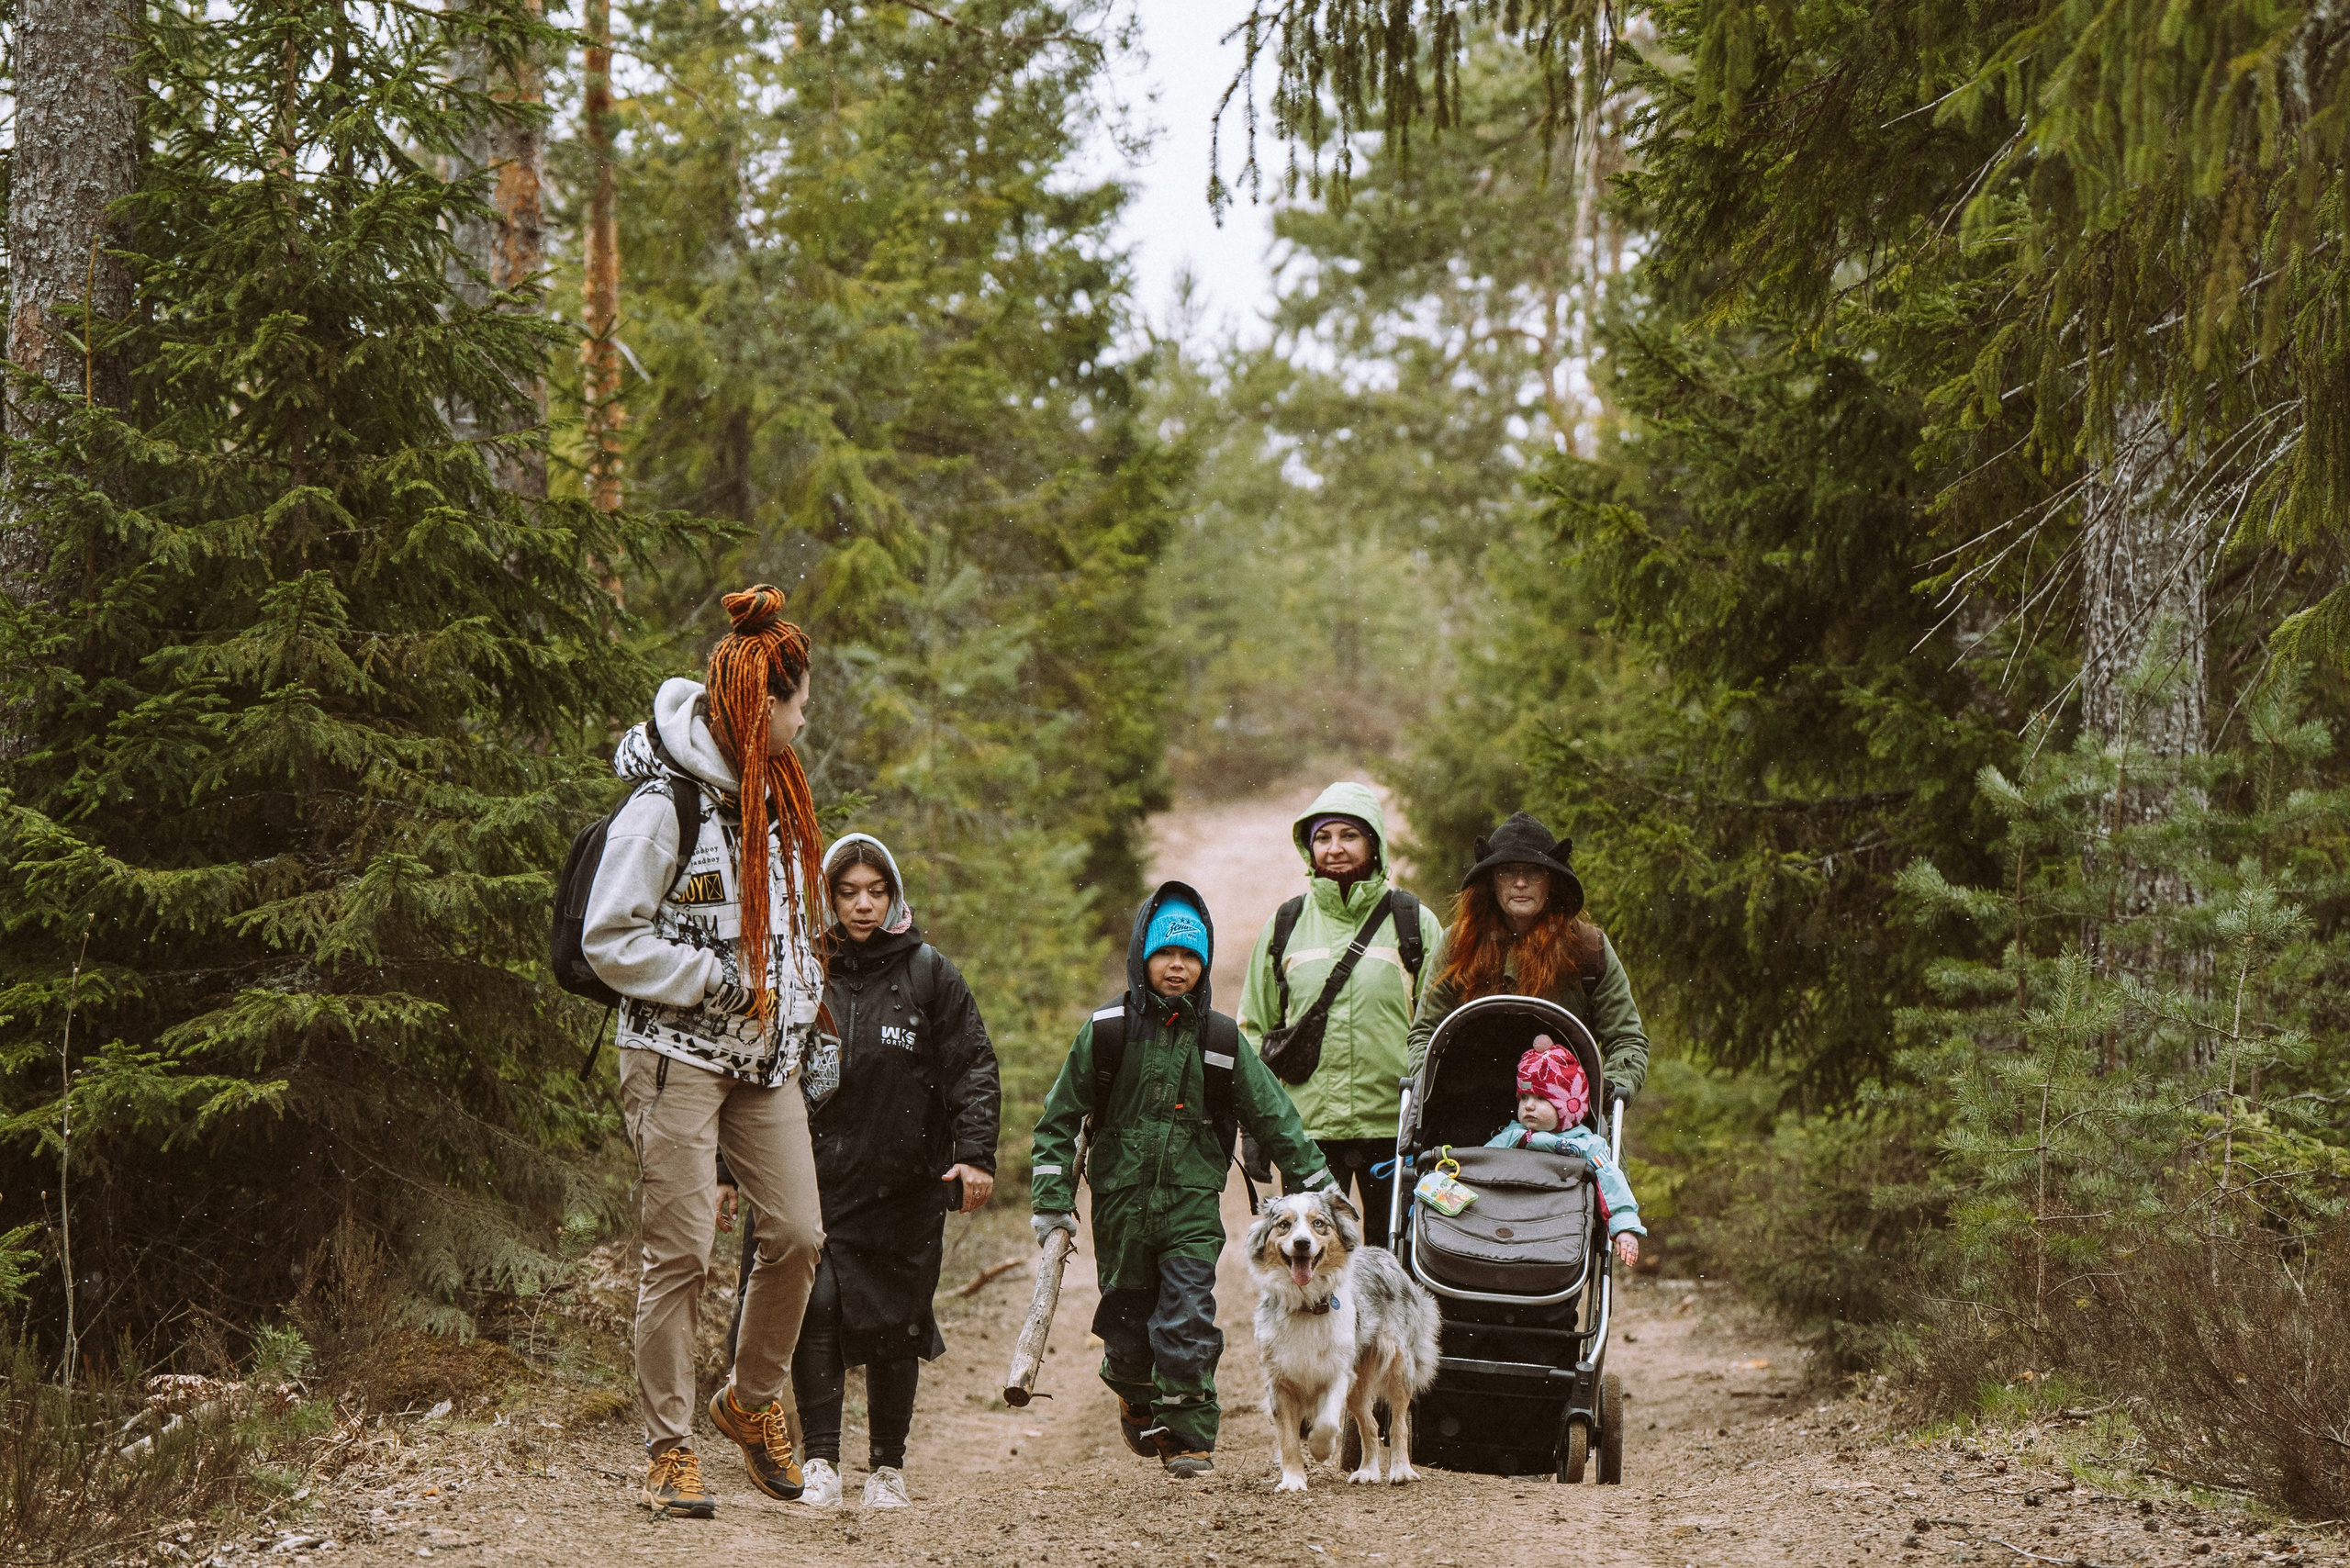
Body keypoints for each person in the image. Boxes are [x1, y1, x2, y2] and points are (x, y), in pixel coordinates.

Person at [581, 584, 829, 1518]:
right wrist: (709, 979)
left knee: (798, 1236)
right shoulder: (665, 806)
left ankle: (748, 1403)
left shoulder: (775, 796)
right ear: (761, 706)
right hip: (674, 1056)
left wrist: (805, 1016)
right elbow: (609, 938)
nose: (804, 721)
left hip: (764, 1060)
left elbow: (790, 933)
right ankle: (668, 1451)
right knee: (681, 1254)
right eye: (798, 705)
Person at [715, 834, 999, 1511]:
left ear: (893, 895)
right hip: (807, 1175)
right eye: (848, 893)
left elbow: (972, 1065)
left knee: (896, 1321)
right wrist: (726, 1169)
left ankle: (888, 1470)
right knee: (813, 1307)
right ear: (828, 898)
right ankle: (821, 1463)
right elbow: (749, 1071)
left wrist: (974, 1154)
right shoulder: (800, 969)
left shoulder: (930, 973)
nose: (863, 905)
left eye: (875, 891)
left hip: (904, 1182)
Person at [1029, 884, 1333, 1478]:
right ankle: (1134, 1393)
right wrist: (1051, 1201)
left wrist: (1317, 1184)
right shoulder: (1108, 1032)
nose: (1177, 966)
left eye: (1191, 956)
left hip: (1191, 1206)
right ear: (1141, 957)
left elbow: (1274, 1116)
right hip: (1120, 1207)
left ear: (1205, 963)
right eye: (1165, 954)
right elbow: (1058, 1119)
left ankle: (1190, 1438)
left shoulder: (1219, 1040)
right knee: (1127, 1326)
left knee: (1188, 1316)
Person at [1237, 782, 1445, 1250]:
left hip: (1396, 1131)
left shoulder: (1415, 923)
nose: (1334, 848)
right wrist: (1254, 1125)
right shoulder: (1286, 924)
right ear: (1308, 848)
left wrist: (1435, 1118)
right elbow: (1252, 1031)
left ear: (1374, 843)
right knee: (1309, 1264)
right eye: (1323, 837)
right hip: (1307, 1134)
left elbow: (1441, 1029)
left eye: (1349, 835)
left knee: (1395, 1260)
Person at [1406, 811, 1651, 1103]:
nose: (1520, 882)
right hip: (1469, 1111)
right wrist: (1432, 1089)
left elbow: (1626, 1038)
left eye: (1534, 871)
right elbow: (1426, 1034)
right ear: (1491, 881)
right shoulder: (1458, 944)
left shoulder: (1587, 947)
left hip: (1567, 1116)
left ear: (1552, 881)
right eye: (1507, 871)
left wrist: (1611, 1089)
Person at [1486, 1038, 1645, 1267]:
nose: (1529, 1105)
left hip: (1561, 1226)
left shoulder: (1587, 1146)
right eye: (1524, 1097)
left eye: (1541, 1098)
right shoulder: (1511, 1136)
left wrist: (1625, 1227)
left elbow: (1611, 1183)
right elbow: (1480, 1165)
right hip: (1511, 1221)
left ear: (1568, 1105)